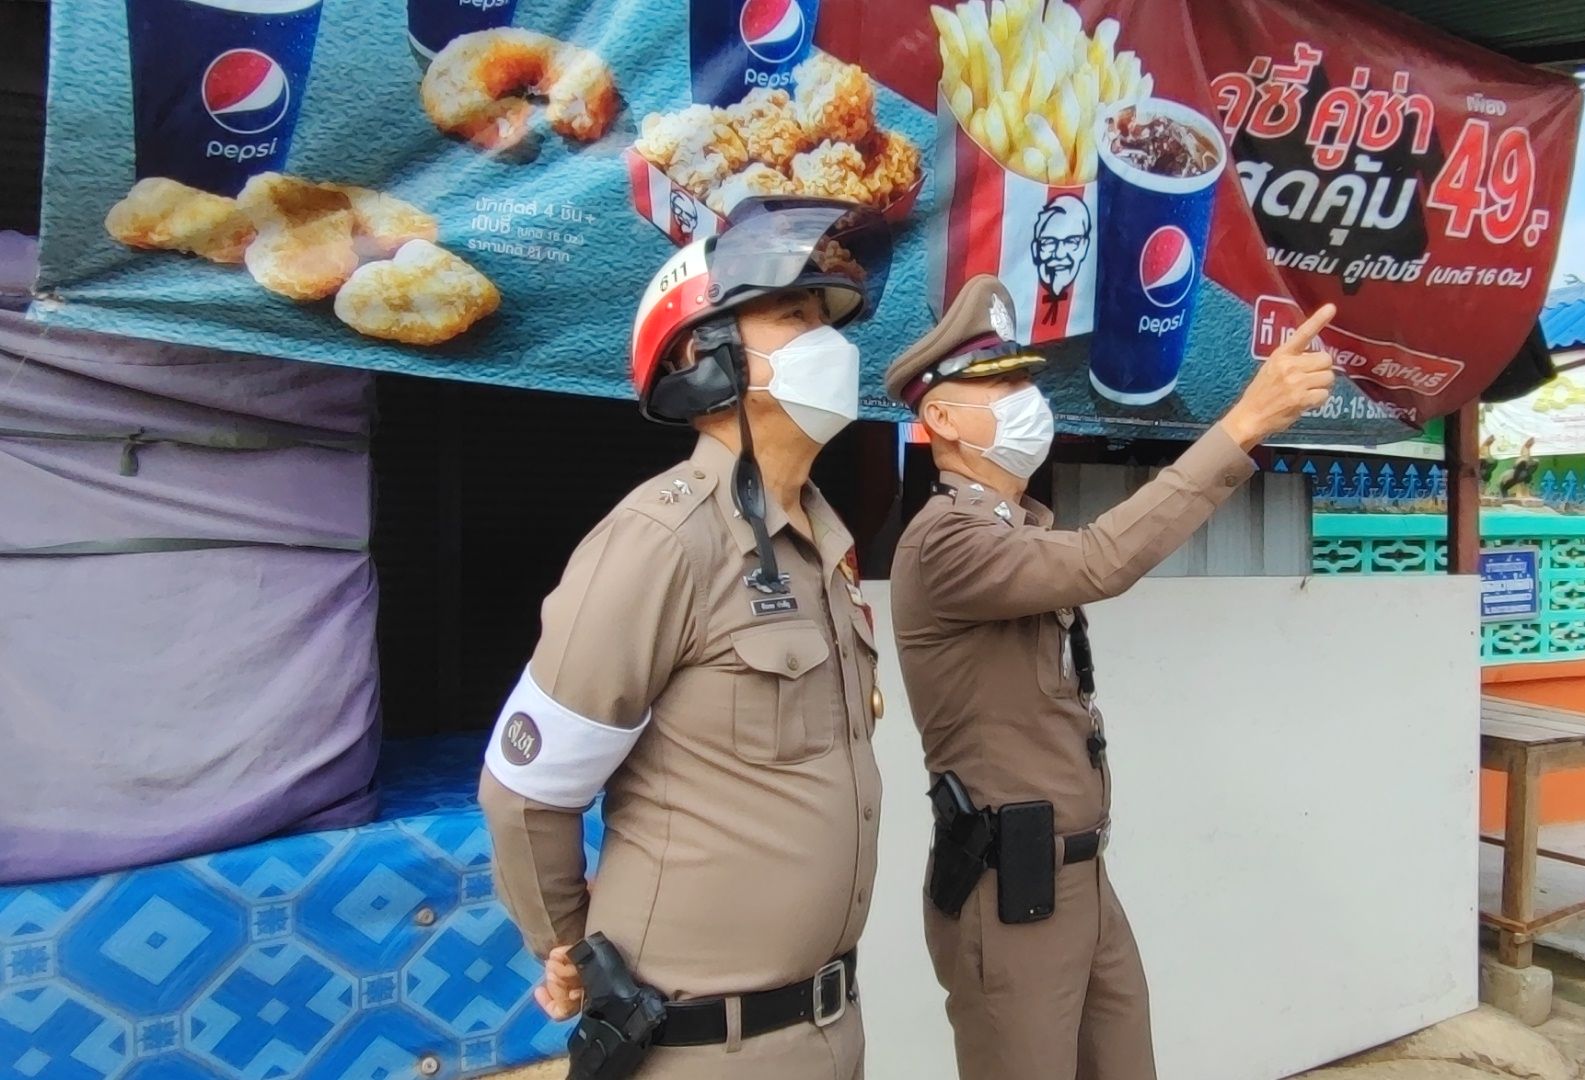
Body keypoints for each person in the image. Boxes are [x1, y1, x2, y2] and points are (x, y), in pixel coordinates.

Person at [883, 274, 1338, 1080]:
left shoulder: (1015, 531)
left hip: (1080, 878)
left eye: (1025, 381)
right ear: (942, 420)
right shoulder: (945, 542)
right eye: (1001, 387)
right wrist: (1244, 424)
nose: (1027, 401)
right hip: (1011, 889)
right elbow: (1104, 560)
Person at [478, 198, 890, 1080]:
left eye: (828, 320)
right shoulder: (662, 541)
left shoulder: (825, 543)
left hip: (832, 1029)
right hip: (699, 1047)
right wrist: (568, 948)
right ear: (705, 362)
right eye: (795, 316)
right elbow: (525, 788)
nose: (829, 342)